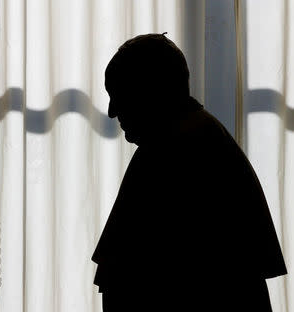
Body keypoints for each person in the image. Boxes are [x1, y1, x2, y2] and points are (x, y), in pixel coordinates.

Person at [91, 33, 287, 311]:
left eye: (120, 94)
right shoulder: (195, 139)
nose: (112, 111)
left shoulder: (172, 152)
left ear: (152, 92)